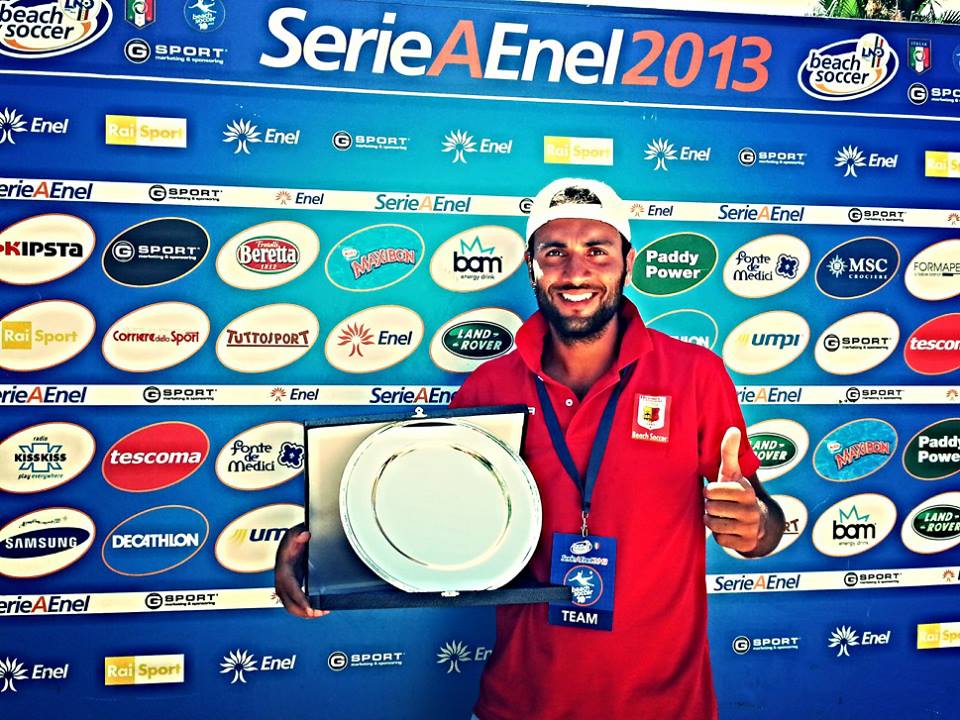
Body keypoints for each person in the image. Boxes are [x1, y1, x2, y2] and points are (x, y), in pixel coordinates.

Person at [275, 177, 785, 720]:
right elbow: (421, 514)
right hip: (521, 704)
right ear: (531, 265)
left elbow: (764, 526)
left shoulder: (695, 375)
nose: (576, 272)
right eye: (555, 252)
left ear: (628, 264)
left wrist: (755, 524)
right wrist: (319, 551)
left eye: (597, 250)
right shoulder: (489, 388)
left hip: (667, 707)